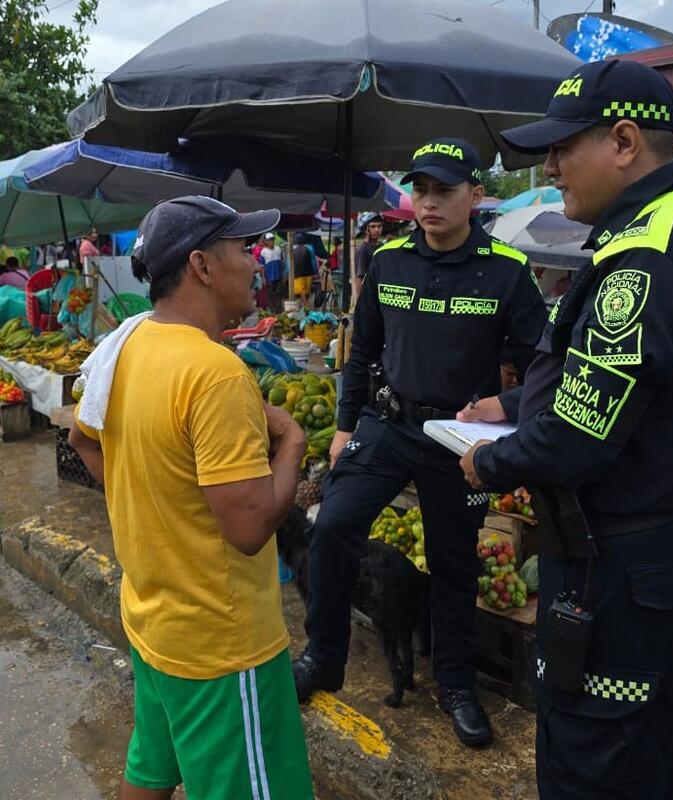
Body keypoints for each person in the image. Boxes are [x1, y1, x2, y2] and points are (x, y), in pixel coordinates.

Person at [456, 59, 673, 798]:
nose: (550, 167)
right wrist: (517, 406)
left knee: (593, 752)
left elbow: (577, 438)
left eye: (563, 148)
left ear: (624, 142)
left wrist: (489, 463)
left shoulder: (647, 257)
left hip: (620, 564)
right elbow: (655, 379)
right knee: (657, 738)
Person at [285, 137, 547, 749]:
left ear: (474, 196)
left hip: (459, 438)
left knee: (454, 564)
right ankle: (324, 655)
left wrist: (505, 406)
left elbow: (545, 364)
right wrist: (344, 428)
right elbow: (361, 353)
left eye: (443, 191)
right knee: (332, 527)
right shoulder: (389, 260)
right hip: (389, 424)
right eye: (421, 189)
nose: (429, 202)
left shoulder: (508, 271)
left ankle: (455, 684)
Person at [67, 196, 314, 800]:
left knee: (150, 771)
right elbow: (250, 527)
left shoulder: (127, 347)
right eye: (243, 250)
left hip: (153, 622)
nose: (255, 263)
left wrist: (155, 504)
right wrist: (292, 445)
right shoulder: (215, 373)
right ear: (202, 266)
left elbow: (81, 437)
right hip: (222, 647)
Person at [353, 213, 385, 301]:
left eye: (379, 226)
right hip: (369, 294)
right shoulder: (363, 249)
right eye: (373, 226)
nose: (377, 229)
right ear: (366, 229)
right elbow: (359, 277)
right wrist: (359, 301)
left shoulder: (382, 246)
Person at [259, 232, 285, 311]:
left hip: (279, 275)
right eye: (270, 240)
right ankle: (272, 309)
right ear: (266, 241)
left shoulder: (278, 249)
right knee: (271, 293)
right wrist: (263, 278)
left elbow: (282, 261)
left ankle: (279, 308)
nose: (271, 241)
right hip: (270, 276)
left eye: (273, 239)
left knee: (279, 292)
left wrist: (284, 274)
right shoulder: (263, 252)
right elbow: (262, 266)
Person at [292, 232, 317, 308]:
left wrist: (288, 273)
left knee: (301, 291)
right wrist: (314, 271)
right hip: (309, 273)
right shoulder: (310, 248)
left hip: (298, 274)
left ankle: (306, 306)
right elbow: (313, 261)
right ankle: (306, 306)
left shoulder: (293, 249)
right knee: (307, 291)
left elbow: (290, 263)